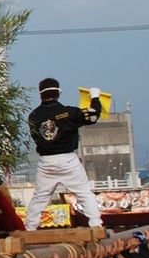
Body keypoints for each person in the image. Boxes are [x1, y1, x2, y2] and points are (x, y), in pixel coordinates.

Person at [23, 78, 103, 232]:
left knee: (40, 197)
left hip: (46, 162)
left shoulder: (33, 116)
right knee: (84, 193)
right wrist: (94, 96)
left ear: (40, 94)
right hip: (68, 160)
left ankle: (30, 228)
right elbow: (93, 115)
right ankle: (96, 224)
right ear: (58, 93)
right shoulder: (69, 113)